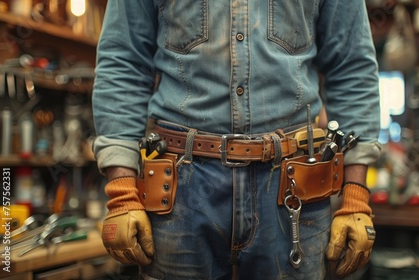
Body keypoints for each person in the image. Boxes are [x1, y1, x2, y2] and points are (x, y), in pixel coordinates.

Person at [92, 1, 382, 279]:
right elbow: (124, 62)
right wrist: (122, 192)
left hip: (293, 186)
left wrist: (355, 196)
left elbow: (351, 68)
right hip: (180, 189)